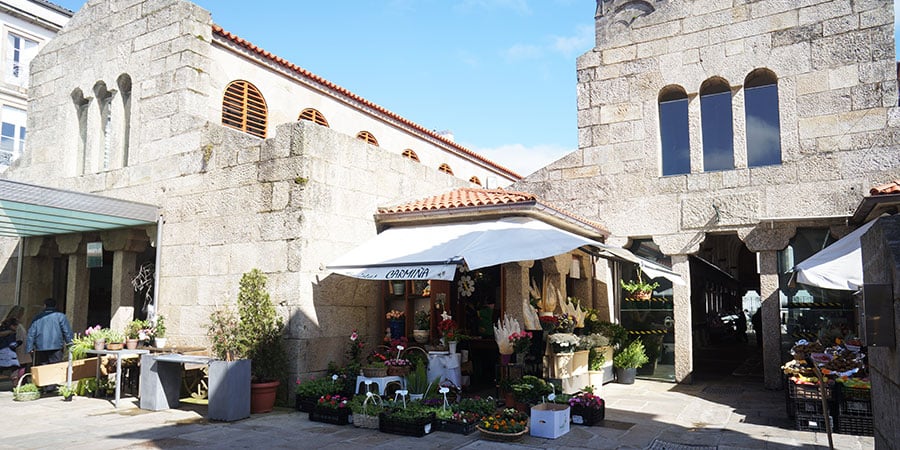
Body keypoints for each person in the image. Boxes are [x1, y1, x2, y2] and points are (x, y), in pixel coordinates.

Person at [25, 298, 74, 367]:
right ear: (55, 306)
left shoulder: (38, 317)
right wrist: (71, 345)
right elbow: (67, 332)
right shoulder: (60, 316)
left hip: (41, 347)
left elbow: (31, 333)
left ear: (44, 305)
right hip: (56, 346)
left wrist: (29, 347)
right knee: (56, 367)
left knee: (42, 368)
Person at [2, 305, 31, 381]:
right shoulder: (16, 326)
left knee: (19, 368)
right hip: (19, 349)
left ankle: (19, 382)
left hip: (18, 350)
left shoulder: (10, 325)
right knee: (20, 368)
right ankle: (19, 383)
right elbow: (17, 338)